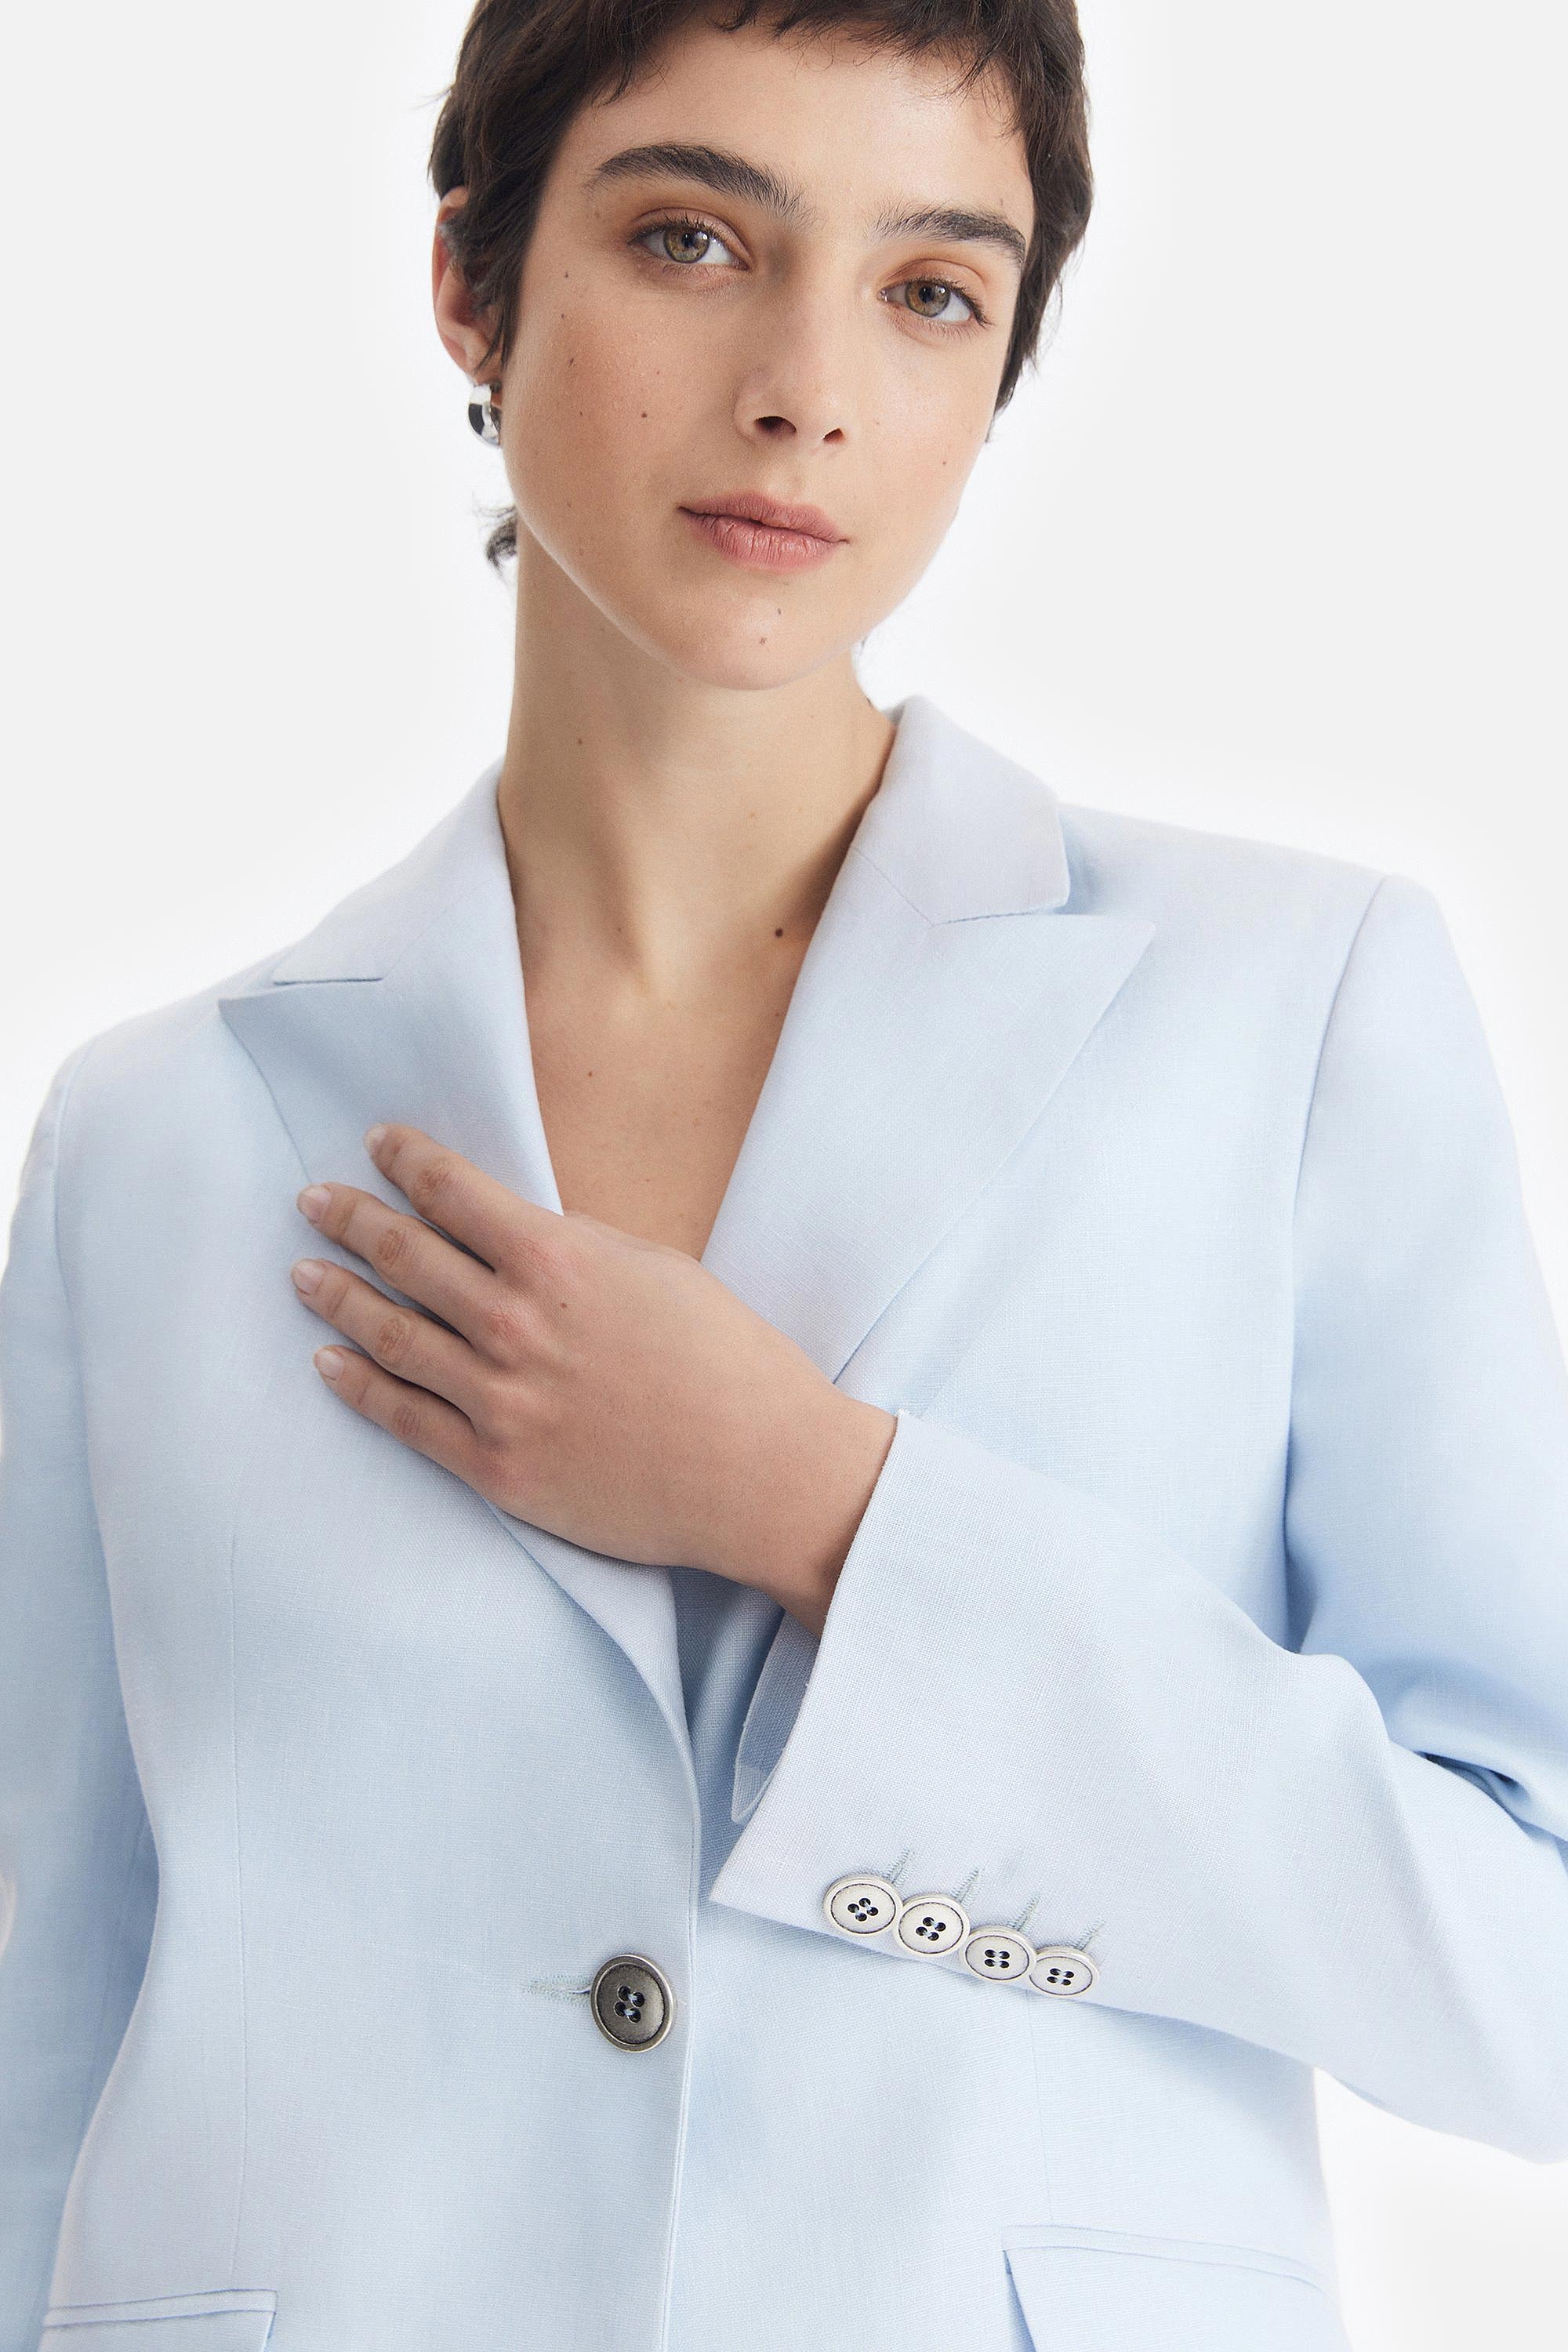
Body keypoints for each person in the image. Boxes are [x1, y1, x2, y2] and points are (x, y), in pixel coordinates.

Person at [2, 0, 1566, 2345]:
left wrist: (831, 1514)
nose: (807, 389)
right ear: (472, 283)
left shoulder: (1292, 1015)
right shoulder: (154, 1136)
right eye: (693, 239)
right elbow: (57, 2030)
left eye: (930, 288)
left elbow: (1531, 1959)